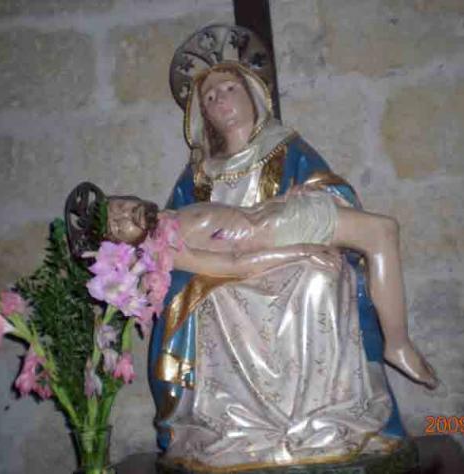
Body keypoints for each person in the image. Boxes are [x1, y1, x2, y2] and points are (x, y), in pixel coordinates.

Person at [145, 25, 430, 470]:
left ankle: (326, 415)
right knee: (215, 298)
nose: (221, 100)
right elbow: (169, 243)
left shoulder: (286, 149)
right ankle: (238, 427)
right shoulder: (198, 175)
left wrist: (309, 197)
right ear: (203, 115)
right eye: (210, 97)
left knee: (322, 275)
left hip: (290, 256)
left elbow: (338, 198)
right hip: (227, 272)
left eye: (229, 88)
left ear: (252, 94)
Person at [107, 192, 437, 391]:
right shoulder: (168, 249)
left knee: (382, 230)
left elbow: (237, 215)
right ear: (122, 247)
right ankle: (397, 344)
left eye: (120, 205)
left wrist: (279, 201)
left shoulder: (172, 217)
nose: (124, 214)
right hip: (287, 232)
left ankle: (398, 343)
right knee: (381, 231)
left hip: (283, 214)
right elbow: (236, 263)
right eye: (118, 225)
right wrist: (302, 251)